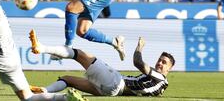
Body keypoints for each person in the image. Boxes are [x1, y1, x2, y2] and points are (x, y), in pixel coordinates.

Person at [29, 30, 175, 97]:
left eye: (164, 63)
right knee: (67, 79)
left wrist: (140, 46)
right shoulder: (161, 86)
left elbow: (138, 62)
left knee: (79, 54)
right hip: (112, 92)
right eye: (159, 60)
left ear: (170, 68)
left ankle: (42, 48)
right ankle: (43, 92)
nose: (159, 64)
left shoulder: (160, 78)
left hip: (116, 82)